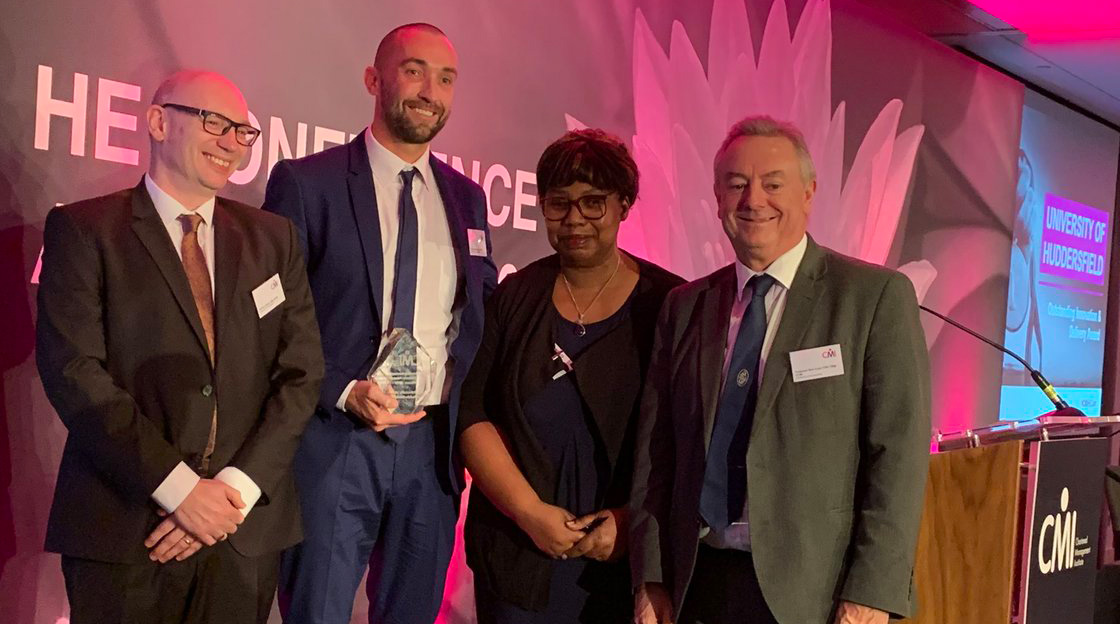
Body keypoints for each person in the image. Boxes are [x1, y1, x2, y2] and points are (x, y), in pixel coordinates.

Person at [36, 70, 325, 624]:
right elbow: (74, 372)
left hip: (242, 533)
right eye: (213, 121)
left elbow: (303, 373)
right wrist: (181, 491)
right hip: (127, 530)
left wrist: (230, 495)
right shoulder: (85, 230)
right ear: (157, 121)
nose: (230, 141)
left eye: (243, 131)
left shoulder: (274, 239)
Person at [629, 116, 931, 624]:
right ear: (718, 197)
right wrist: (651, 576)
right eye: (737, 184)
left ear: (810, 192)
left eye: (773, 184)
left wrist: (872, 594)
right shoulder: (686, 306)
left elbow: (897, 460)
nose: (754, 200)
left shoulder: (872, 297)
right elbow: (656, 453)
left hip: (815, 595)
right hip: (697, 584)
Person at [263, 23, 496, 624]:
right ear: (374, 78)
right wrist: (342, 389)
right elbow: (274, 320)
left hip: (432, 448)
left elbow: (472, 322)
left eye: (445, 79)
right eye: (414, 70)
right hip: (334, 438)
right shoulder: (306, 184)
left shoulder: (468, 200)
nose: (430, 90)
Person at [458, 129, 683, 624]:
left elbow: (684, 441)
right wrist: (528, 512)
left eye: (593, 203)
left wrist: (631, 525)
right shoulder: (515, 296)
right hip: (517, 554)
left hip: (623, 562)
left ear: (624, 205)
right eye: (559, 204)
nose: (574, 219)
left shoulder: (670, 304)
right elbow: (472, 414)